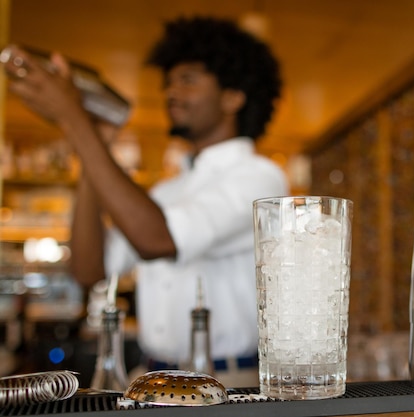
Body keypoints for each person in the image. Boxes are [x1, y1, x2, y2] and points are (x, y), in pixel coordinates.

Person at [3, 16, 288, 386]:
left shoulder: (259, 176)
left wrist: (74, 119)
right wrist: (94, 143)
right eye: (168, 82)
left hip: (228, 380)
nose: (171, 92)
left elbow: (158, 240)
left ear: (234, 96)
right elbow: (89, 270)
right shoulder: (164, 192)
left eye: (188, 80)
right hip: (152, 376)